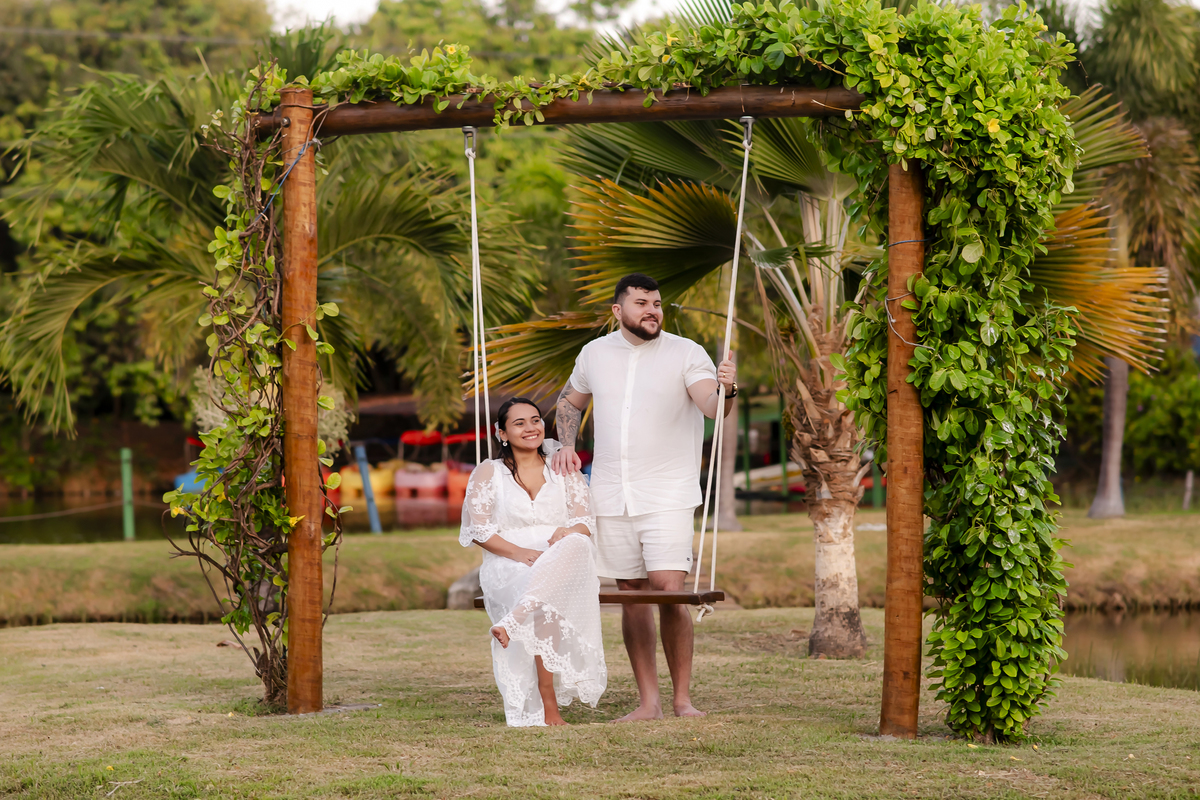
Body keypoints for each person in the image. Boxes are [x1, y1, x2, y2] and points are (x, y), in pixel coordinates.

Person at [551, 273, 737, 721]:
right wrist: (564, 444)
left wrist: (727, 387)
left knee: (669, 590)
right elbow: (569, 401)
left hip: (668, 492)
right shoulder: (594, 353)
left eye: (656, 303)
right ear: (618, 311)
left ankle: (682, 700)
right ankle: (648, 702)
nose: (652, 310)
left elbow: (714, 408)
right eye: (641, 303)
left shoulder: (686, 351)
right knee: (631, 592)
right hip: (610, 492)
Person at [459, 397, 607, 727]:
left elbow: (585, 522)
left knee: (578, 543)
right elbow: (479, 530)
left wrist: (567, 532)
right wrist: (520, 554)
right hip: (509, 562)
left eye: (536, 420)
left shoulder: (563, 468)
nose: (531, 428)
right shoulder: (489, 472)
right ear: (502, 433)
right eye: (520, 423)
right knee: (542, 599)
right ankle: (548, 708)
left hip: (559, 559)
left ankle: (514, 621)